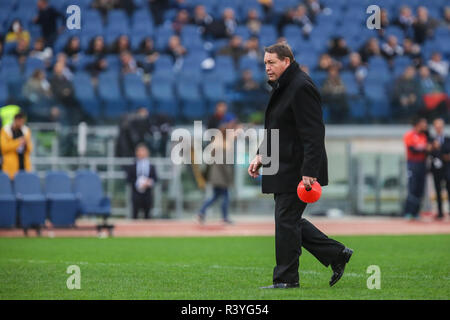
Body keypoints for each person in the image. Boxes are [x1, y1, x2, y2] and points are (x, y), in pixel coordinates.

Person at [248, 43, 353, 289]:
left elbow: (314, 133)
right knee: (288, 219)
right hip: (282, 164)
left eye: (271, 62)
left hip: (297, 168)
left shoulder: (301, 86)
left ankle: (286, 279)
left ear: (287, 61)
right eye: (265, 63)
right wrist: (261, 156)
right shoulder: (285, 86)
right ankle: (336, 254)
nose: (267, 68)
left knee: (286, 219)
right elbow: (277, 128)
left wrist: (309, 171)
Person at [197, 125, 234, 225]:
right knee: (225, 196)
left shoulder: (215, 143)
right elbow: (224, 165)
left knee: (216, 196)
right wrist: (229, 178)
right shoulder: (224, 145)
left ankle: (202, 211)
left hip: (215, 176)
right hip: (221, 177)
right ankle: (224, 217)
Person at [403, 116, 431, 220]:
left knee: (420, 188)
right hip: (412, 163)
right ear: (418, 124)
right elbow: (412, 149)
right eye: (424, 123)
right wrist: (424, 149)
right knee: (412, 188)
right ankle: (408, 212)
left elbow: (429, 148)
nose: (426, 125)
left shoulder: (425, 135)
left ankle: (416, 212)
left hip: (422, 164)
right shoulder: (409, 135)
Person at [126, 144, 158, 219]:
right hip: (136, 194)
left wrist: (149, 182)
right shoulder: (132, 166)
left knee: (147, 215)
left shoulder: (151, 166)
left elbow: (155, 179)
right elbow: (128, 179)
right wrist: (138, 183)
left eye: (143, 151)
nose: (141, 153)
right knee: (135, 215)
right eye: (140, 151)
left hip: (147, 194)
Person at [0, 112, 33, 179]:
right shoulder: (6, 131)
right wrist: (18, 142)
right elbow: (4, 148)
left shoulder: (26, 131)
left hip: (24, 165)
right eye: (19, 121)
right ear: (15, 120)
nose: (21, 124)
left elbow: (30, 149)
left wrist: (26, 143)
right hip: (10, 167)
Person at [429, 118, 450, 220]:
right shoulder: (431, 140)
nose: (438, 128)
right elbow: (429, 153)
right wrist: (433, 147)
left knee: (448, 189)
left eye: (440, 126)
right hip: (436, 169)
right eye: (436, 127)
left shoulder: (447, 139)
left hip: (447, 168)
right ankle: (440, 212)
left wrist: (440, 149)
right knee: (437, 190)